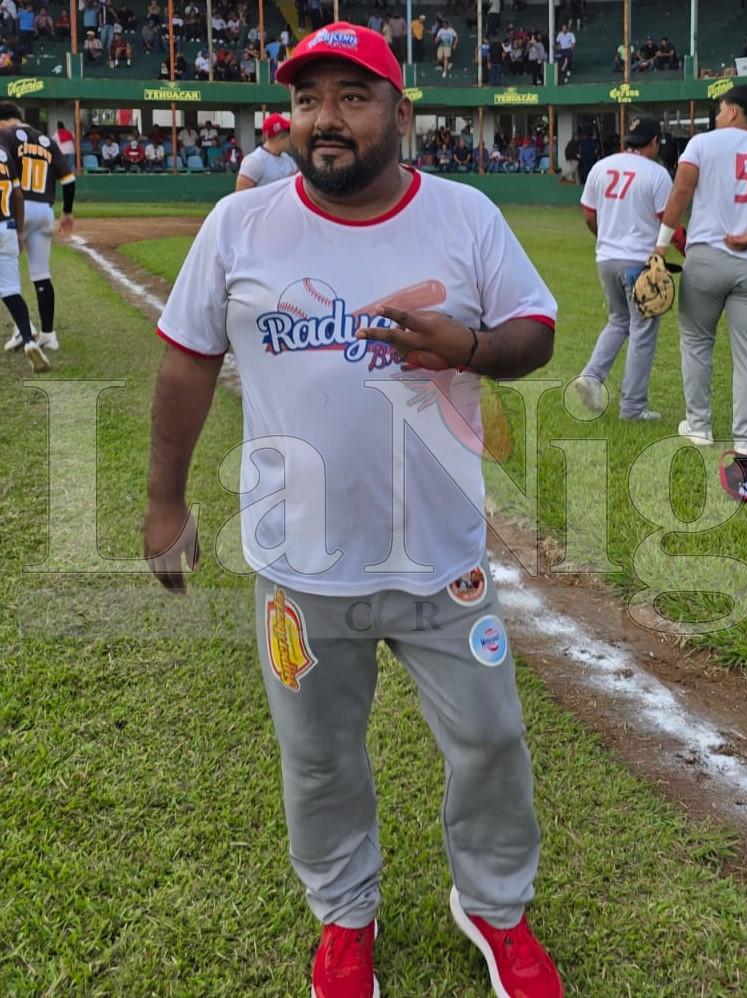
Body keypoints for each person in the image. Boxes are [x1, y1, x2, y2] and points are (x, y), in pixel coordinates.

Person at [143, 23, 563, 998]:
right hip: (301, 565)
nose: (324, 118)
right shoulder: (239, 226)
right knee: (321, 757)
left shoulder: (463, 215)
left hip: (443, 563)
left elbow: (535, 329)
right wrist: (164, 502)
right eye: (307, 99)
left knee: (492, 740)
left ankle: (494, 907)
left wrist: (467, 346)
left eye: (352, 97)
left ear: (401, 112)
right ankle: (345, 915)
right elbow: (187, 361)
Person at [655, 84, 747, 495]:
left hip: (706, 256)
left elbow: (681, 191)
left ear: (735, 110)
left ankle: (699, 426)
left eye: (722, 108)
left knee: (696, 344)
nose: (719, 114)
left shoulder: (703, 143)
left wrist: (661, 244)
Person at [575, 117, 674, 422]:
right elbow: (668, 221)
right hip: (638, 262)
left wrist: (605, 237)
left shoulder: (601, 167)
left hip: (606, 258)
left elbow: (588, 214)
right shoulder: (657, 173)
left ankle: (591, 377)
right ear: (653, 142)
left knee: (619, 320)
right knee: (642, 331)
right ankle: (632, 407)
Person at [0, 103, 76, 356]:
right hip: (44, 209)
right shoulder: (46, 140)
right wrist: (67, 212)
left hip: (18, 208)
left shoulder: (5, 135)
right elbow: (69, 180)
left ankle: (23, 328)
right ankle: (48, 335)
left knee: (7, 271)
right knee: (41, 274)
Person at [0, 135, 47, 371]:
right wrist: (19, 231)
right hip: (7, 228)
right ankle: (28, 340)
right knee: (10, 290)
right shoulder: (4, 154)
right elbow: (18, 195)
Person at [236, 112, 298, 190]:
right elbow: (241, 194)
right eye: (289, 135)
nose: (291, 140)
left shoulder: (288, 159)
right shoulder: (254, 161)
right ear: (280, 137)